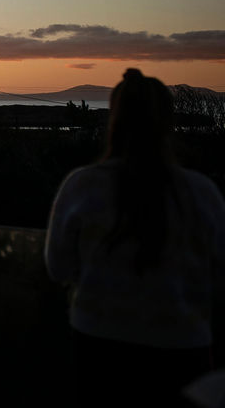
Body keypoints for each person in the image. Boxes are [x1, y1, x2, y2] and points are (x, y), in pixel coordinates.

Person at [45, 68, 225, 407]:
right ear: (168, 123)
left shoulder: (82, 186)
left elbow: (58, 268)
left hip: (97, 344)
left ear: (114, 119)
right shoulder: (203, 193)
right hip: (184, 349)